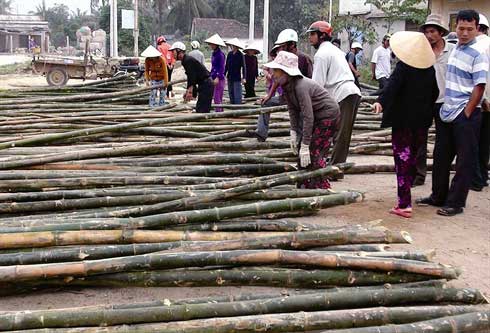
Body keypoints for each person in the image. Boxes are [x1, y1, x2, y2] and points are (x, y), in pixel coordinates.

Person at [417, 10, 488, 217]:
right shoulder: (455, 46)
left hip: (466, 113)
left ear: (477, 29)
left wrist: (466, 113)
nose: (465, 33)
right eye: (461, 28)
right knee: (441, 156)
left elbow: (479, 87)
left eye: (470, 29)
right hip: (447, 110)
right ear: (455, 27)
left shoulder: (478, 53)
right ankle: (438, 195)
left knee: (464, 160)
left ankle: (456, 203)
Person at [372, 32, 438, 218]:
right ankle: (406, 197)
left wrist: (381, 102)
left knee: (402, 160)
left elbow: (391, 87)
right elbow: (435, 93)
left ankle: (404, 204)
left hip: (403, 122)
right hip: (421, 123)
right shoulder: (429, 70)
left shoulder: (403, 67)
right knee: (412, 159)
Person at [265, 51, 340, 189]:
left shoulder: (301, 86)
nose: (273, 74)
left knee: (313, 151)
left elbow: (307, 116)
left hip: (328, 116)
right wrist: (293, 132)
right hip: (316, 117)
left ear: (286, 72)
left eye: (276, 70)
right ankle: (305, 184)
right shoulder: (287, 87)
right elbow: (293, 111)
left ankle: (322, 186)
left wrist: (305, 144)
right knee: (302, 150)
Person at [307, 20, 361, 166]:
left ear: (322, 35)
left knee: (339, 133)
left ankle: (335, 168)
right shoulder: (336, 51)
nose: (310, 38)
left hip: (343, 93)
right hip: (350, 92)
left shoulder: (322, 54)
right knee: (342, 134)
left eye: (313, 34)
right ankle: (336, 165)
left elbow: (317, 85)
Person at [414, 13, 455, 186]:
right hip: (425, 101)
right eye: (427, 32)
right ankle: (419, 174)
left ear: (440, 33)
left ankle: (443, 179)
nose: (429, 35)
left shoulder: (452, 51)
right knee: (419, 139)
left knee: (444, 142)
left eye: (433, 31)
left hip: (446, 101)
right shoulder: (420, 52)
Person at [471, 13, 490, 191]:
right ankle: (483, 177)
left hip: (480, 101)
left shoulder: (476, 47)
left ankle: (476, 180)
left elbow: (479, 78)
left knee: (473, 142)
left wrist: (483, 99)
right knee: (485, 143)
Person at [170, 42, 215, 114]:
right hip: (204, 84)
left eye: (173, 52)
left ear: (179, 51)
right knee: (200, 108)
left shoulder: (187, 60)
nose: (172, 54)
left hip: (206, 84)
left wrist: (190, 91)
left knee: (203, 110)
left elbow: (192, 77)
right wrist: (188, 90)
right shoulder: (185, 60)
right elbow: (190, 77)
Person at [205, 34, 227, 113]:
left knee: (217, 97)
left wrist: (217, 77)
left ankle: (219, 112)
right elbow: (213, 66)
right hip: (213, 76)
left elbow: (221, 67)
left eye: (212, 44)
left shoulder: (220, 55)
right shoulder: (214, 53)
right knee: (215, 96)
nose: (211, 45)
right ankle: (219, 111)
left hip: (219, 78)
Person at [225, 38, 246, 104]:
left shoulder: (240, 55)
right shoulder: (229, 54)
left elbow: (244, 67)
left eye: (233, 46)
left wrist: (244, 77)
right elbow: (227, 65)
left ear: (236, 47)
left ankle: (237, 106)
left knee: (237, 92)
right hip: (230, 76)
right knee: (231, 92)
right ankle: (232, 105)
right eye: (231, 46)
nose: (232, 47)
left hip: (237, 76)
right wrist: (224, 73)